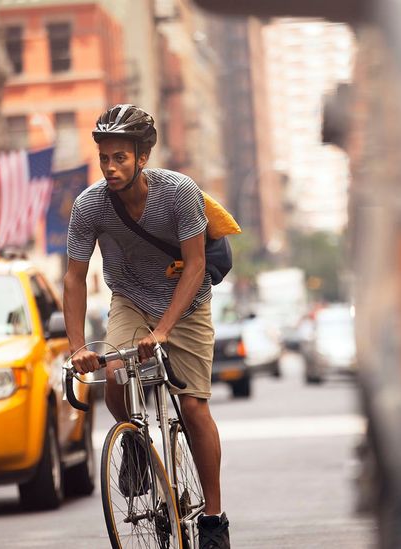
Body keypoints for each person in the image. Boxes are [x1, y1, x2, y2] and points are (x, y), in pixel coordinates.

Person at [63, 104, 230, 549]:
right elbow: (74, 277)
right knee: (115, 373)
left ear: (143, 157)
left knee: (194, 408)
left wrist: (164, 331)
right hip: (131, 300)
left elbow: (196, 266)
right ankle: (136, 441)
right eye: (104, 158)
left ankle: (214, 518)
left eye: (120, 157)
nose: (111, 167)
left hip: (187, 303)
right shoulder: (90, 206)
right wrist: (78, 346)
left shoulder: (179, 193)